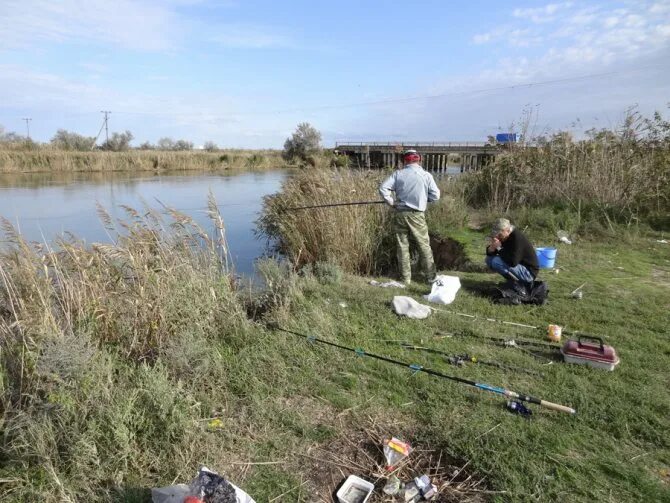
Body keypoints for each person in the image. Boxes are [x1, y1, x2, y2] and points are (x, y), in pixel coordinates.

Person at [379, 149, 440, 285]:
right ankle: (431, 277)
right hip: (417, 215)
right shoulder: (426, 175)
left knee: (402, 246)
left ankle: (405, 279)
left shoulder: (398, 174)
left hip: (400, 213)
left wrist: (391, 202)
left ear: (404, 161)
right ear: (418, 160)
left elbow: (383, 188)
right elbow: (436, 196)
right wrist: (425, 199)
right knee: (423, 245)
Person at [485, 218, 539, 294]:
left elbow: (513, 262)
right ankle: (512, 282)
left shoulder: (517, 238)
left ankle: (518, 284)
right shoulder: (505, 236)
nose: (497, 236)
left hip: (528, 273)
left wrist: (499, 248)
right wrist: (491, 248)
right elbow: (491, 253)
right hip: (519, 266)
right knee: (489, 259)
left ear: (507, 230)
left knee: (496, 261)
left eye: (499, 234)